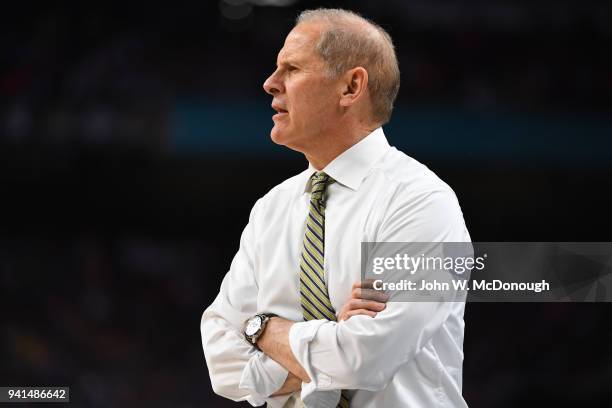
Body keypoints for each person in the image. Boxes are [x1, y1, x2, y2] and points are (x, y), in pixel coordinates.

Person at [201, 8, 470, 408]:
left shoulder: (423, 202)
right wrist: (328, 340)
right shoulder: (271, 208)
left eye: (292, 69)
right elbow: (221, 361)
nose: (270, 84)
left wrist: (263, 329)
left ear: (351, 87)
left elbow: (364, 357)